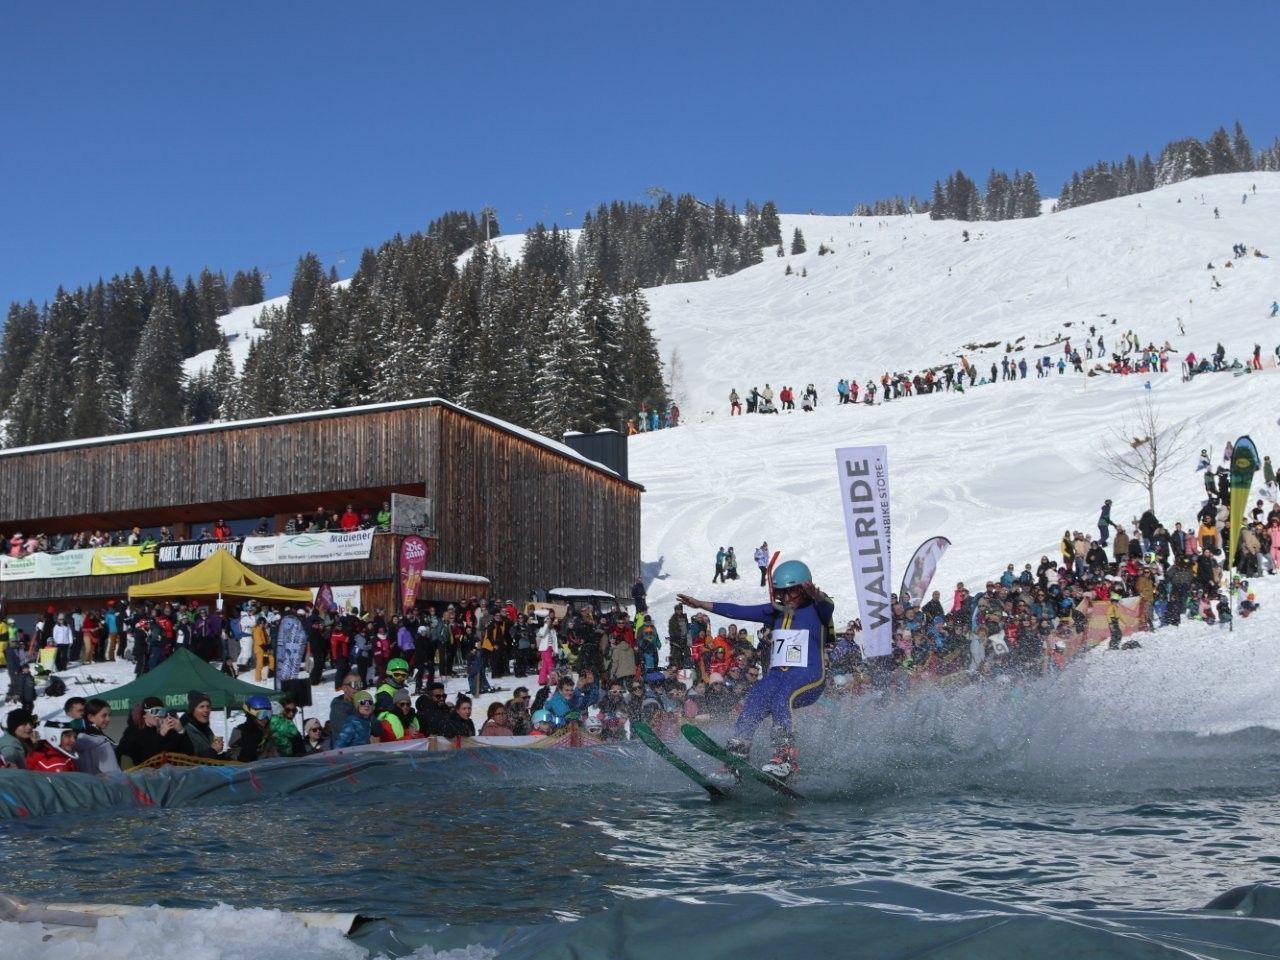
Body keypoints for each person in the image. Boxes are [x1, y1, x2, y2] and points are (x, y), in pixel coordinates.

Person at [677, 559, 831, 781]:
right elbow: (737, 611)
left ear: (804, 590)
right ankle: (737, 757)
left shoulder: (818, 609)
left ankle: (785, 758)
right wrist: (701, 604)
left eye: (792, 592)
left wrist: (818, 596)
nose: (786, 598)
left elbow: (828, 606)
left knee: (781, 698)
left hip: (808, 676)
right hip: (778, 676)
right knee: (755, 698)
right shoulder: (775, 611)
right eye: (782, 592)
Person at [118, 697, 194, 768]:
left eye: (162, 711)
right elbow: (147, 761)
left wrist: (181, 731)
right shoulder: (134, 734)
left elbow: (189, 754)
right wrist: (161, 734)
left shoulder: (169, 731)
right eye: (155, 711)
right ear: (144, 715)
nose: (159, 715)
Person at [75, 698, 121, 774]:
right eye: (104, 715)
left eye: (109, 715)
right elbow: (114, 774)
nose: (108, 719)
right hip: (103, 784)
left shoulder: (77, 739)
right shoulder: (102, 743)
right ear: (90, 717)